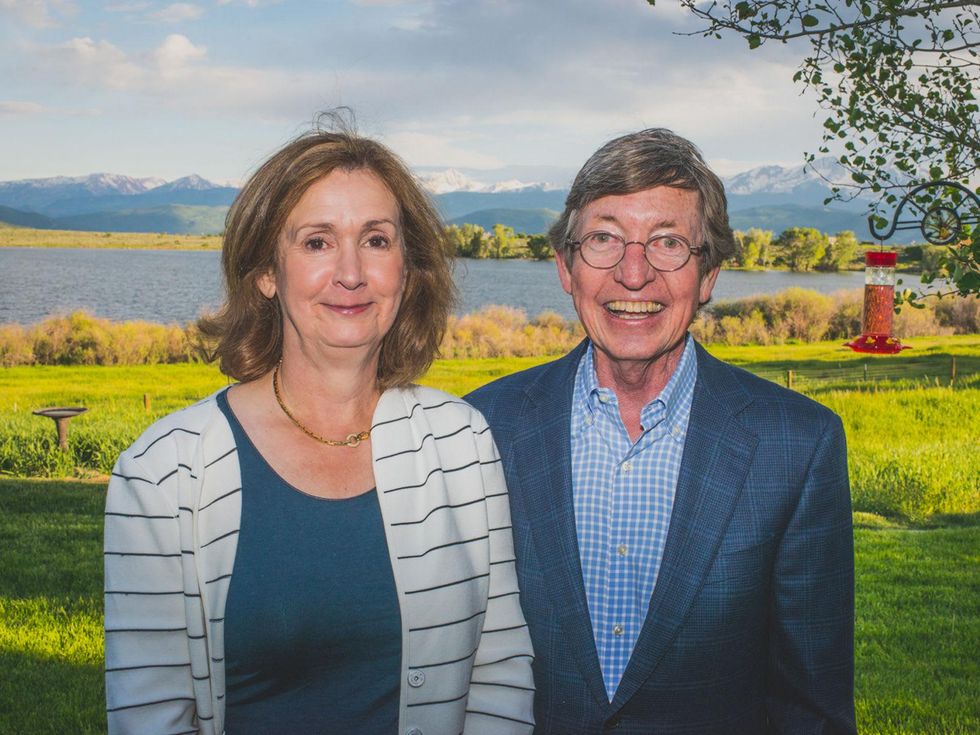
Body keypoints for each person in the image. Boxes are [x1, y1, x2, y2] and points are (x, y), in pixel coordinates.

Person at [104, 124, 535, 734]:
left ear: (407, 269)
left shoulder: (461, 444)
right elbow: (150, 719)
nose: (351, 273)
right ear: (266, 272)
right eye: (317, 242)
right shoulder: (163, 476)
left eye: (377, 240)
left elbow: (500, 676)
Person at [467, 128, 855, 734]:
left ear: (708, 275)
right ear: (566, 268)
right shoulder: (482, 428)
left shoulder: (797, 446)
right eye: (603, 239)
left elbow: (812, 707)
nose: (633, 273)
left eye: (668, 242)